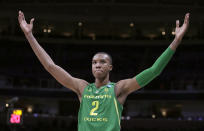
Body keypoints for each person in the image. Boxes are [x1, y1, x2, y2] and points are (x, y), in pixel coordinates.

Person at [18, 11, 190, 131]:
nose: (97, 65)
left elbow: (154, 71)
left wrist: (176, 41)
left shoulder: (118, 89)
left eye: (102, 62)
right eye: (94, 62)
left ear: (110, 67)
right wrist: (29, 36)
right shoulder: (83, 88)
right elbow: (50, 66)